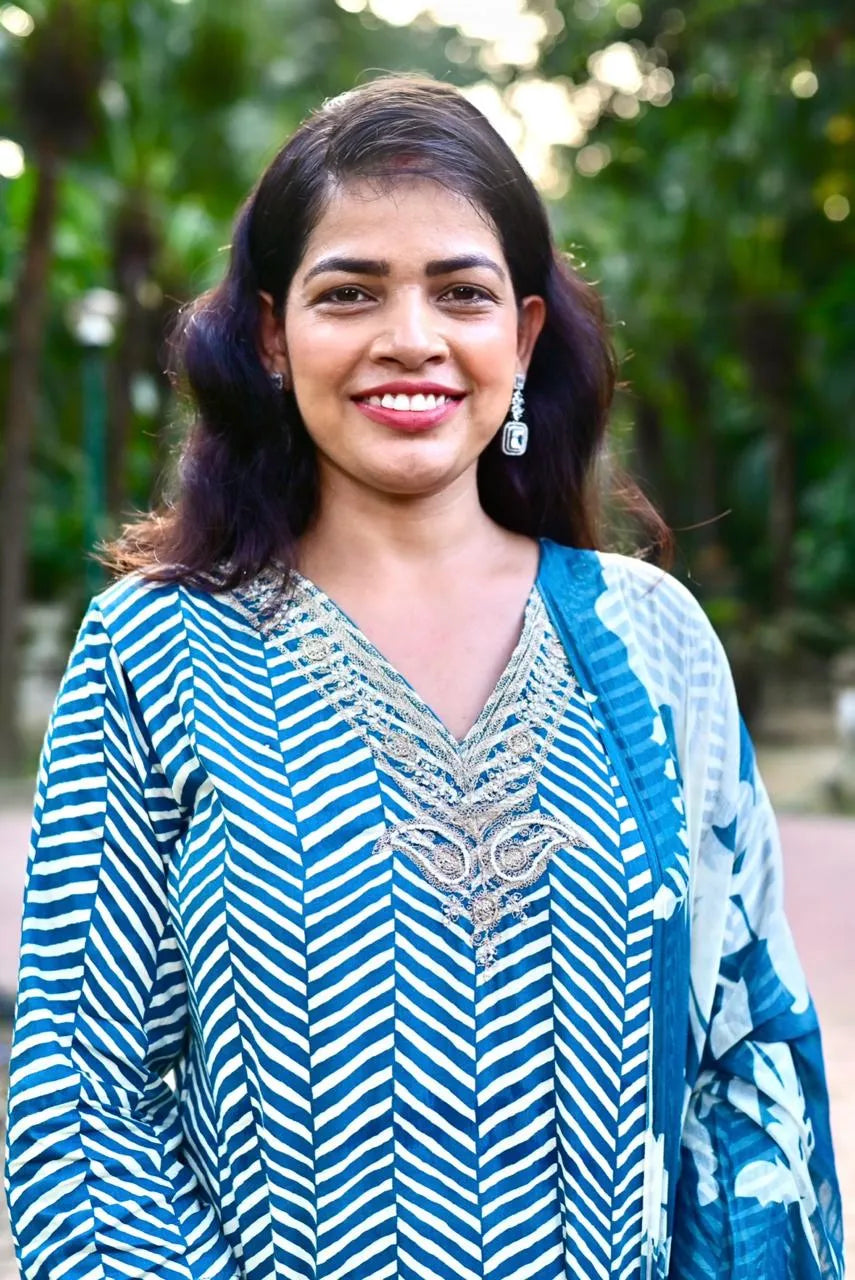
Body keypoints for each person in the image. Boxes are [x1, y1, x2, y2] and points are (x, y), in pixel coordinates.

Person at [4, 74, 843, 1280]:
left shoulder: (648, 640)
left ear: (526, 332)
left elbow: (746, 1068)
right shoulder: (155, 649)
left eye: (463, 291)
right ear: (271, 334)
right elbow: (82, 1114)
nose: (413, 337)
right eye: (351, 292)